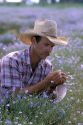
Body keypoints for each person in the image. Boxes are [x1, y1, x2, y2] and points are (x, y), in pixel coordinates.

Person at [0, 19, 68, 97]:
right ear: (34, 41)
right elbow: (12, 96)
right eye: (46, 45)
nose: (49, 50)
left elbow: (42, 97)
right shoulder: (12, 60)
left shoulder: (47, 66)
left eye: (52, 46)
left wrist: (53, 85)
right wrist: (46, 82)